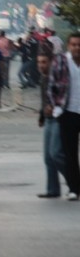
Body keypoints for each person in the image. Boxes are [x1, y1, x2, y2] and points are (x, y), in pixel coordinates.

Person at [48, 32, 80, 201]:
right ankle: (74, 188)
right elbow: (51, 85)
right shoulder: (61, 61)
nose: (76, 48)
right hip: (67, 112)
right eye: (74, 44)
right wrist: (56, 107)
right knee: (70, 153)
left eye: (79, 45)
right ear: (69, 46)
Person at [37, 48, 68, 198]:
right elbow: (43, 100)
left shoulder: (57, 77)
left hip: (59, 118)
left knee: (56, 153)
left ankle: (74, 180)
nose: (41, 65)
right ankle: (53, 189)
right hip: (48, 119)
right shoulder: (43, 78)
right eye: (39, 62)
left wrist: (54, 106)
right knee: (48, 158)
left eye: (44, 62)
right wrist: (42, 115)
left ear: (51, 62)